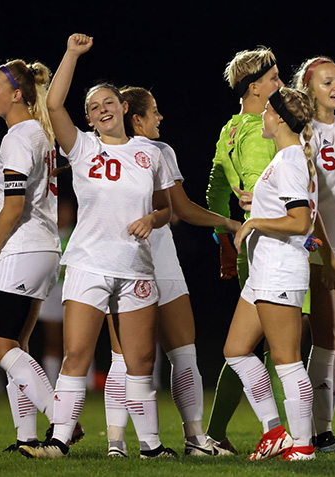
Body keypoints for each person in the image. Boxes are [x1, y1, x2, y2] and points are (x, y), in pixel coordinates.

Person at [19, 34, 174, 459]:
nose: (101, 109)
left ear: (123, 108)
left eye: (108, 102)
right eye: (93, 107)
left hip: (136, 267)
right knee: (77, 354)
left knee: (140, 363)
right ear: (88, 119)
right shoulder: (84, 147)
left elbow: (165, 209)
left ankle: (152, 446)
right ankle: (59, 440)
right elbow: (53, 106)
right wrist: (71, 54)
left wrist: (151, 219)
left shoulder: (151, 152)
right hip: (89, 263)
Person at [101, 86, 241, 458]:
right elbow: (183, 209)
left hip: (142, 261)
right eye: (155, 111)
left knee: (151, 356)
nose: (160, 118)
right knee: (162, 356)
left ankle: (125, 443)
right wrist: (229, 223)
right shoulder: (137, 150)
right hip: (139, 261)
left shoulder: (131, 152)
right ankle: (177, 439)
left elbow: (178, 209)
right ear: (136, 117)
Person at [0, 58, 71, 452]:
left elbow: (14, 208)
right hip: (42, 248)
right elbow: (27, 193)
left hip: (23, 249)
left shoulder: (17, 137)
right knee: (16, 347)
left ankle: (62, 420)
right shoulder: (40, 135)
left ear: (17, 94)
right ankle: (26, 438)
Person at [223, 87, 318, 461]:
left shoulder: (292, 158)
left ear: (278, 117)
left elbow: (300, 221)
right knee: (235, 351)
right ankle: (275, 431)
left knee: (287, 360)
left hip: (279, 271)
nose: (261, 116)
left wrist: (254, 222)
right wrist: (255, 203)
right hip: (263, 274)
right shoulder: (286, 158)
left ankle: (303, 446)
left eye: (265, 111)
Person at [204, 47, 285, 452]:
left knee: (249, 345)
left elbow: (216, 193)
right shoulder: (257, 130)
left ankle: (216, 434)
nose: (280, 84)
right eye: (274, 79)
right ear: (255, 88)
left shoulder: (229, 129)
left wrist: (224, 240)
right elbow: (259, 189)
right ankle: (295, 436)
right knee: (285, 346)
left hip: (253, 245)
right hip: (280, 243)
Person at [292, 56, 335, 453]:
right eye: (327, 81)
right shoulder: (304, 132)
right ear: (309, 88)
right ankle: (320, 433)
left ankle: (323, 428)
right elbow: (309, 202)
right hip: (321, 249)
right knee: (326, 338)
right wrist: (325, 253)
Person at [36, 198, 76, 385]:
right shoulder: (45, 234)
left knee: (77, 340)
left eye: (69, 211)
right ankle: (51, 383)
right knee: (53, 339)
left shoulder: (78, 234)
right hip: (51, 292)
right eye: (62, 211)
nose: (66, 215)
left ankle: (85, 383)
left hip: (75, 291)